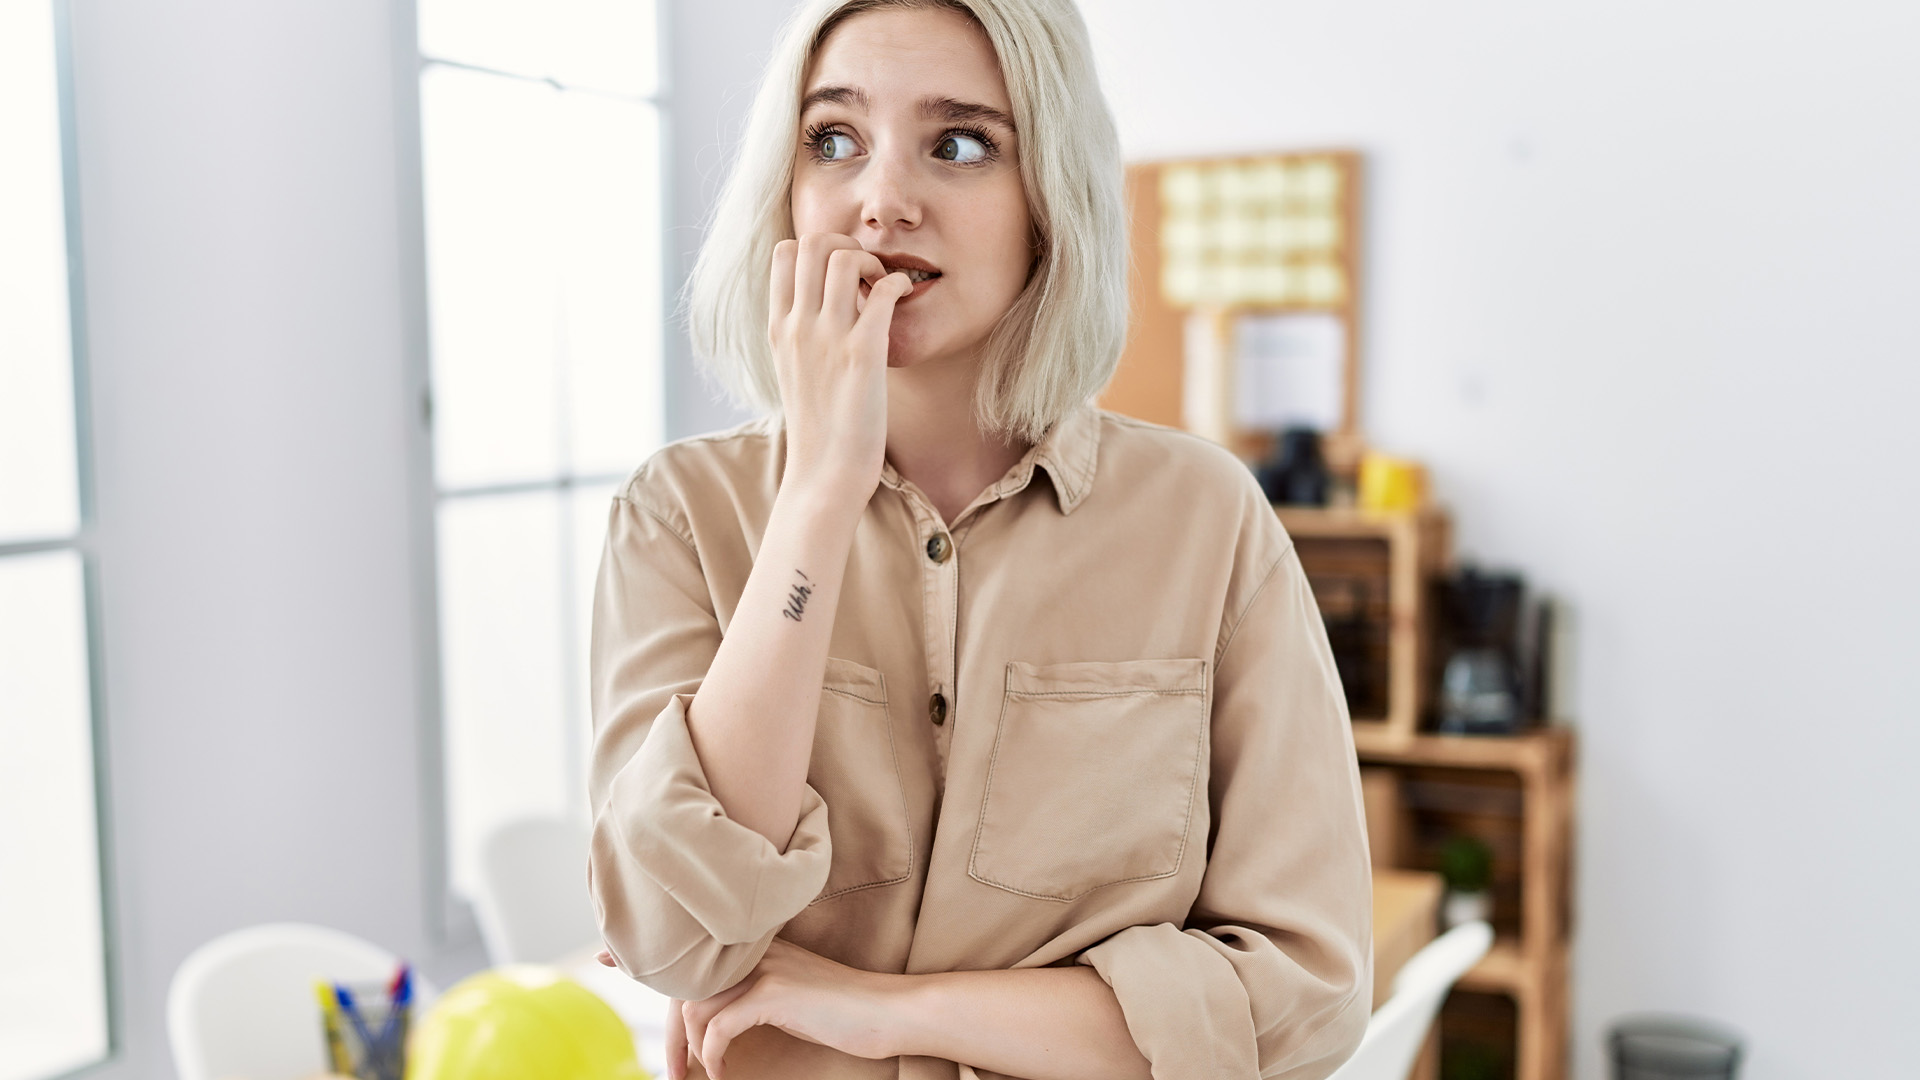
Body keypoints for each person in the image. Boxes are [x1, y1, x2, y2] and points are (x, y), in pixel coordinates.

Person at [585, 0, 1373, 1077]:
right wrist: (817, 495)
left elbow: (1305, 998)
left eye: (961, 144)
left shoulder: (1209, 521)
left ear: (1049, 199)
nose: (881, 202)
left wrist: (891, 1013)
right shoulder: (677, 516)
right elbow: (674, 933)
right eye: (834, 139)